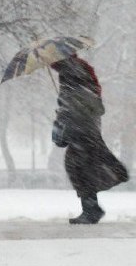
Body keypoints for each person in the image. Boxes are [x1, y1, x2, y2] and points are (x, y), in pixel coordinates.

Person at [51, 54, 128, 224]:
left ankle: (92, 209)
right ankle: (92, 208)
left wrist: (63, 114)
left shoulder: (69, 71)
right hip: (87, 127)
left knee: (78, 168)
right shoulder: (78, 69)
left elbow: (73, 100)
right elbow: (85, 99)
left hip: (81, 128)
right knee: (82, 167)